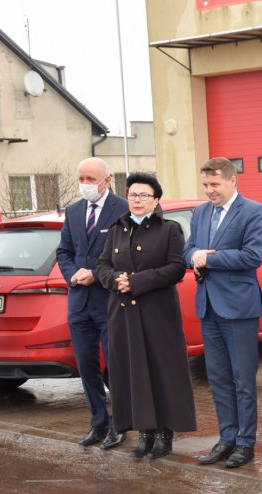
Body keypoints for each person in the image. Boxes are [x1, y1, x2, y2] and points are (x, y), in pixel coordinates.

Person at [94, 173, 197, 459]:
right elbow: (102, 264)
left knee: (161, 371)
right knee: (131, 372)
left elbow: (176, 268)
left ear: (155, 200)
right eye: (133, 195)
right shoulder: (116, 228)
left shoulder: (169, 229)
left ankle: (165, 433)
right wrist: (115, 280)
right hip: (122, 313)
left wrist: (136, 282)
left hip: (157, 313)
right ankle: (144, 432)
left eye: (144, 195)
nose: (137, 200)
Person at [184, 158, 262, 469]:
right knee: (218, 379)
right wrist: (193, 255)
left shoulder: (253, 211)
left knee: (243, 380)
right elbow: (188, 249)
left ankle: (246, 443)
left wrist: (208, 258)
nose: (209, 191)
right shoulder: (201, 212)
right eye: (205, 185)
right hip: (208, 306)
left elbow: (252, 256)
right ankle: (227, 438)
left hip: (240, 309)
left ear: (232, 181)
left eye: (215, 185)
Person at [56, 157, 130, 450]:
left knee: (116, 365)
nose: (85, 184)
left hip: (109, 300)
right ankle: (99, 422)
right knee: (86, 365)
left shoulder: (122, 210)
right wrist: (73, 276)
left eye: (91, 179)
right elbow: (64, 251)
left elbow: (125, 256)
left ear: (107, 181)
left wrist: (96, 276)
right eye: (81, 178)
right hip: (79, 302)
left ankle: (122, 423)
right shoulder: (73, 212)